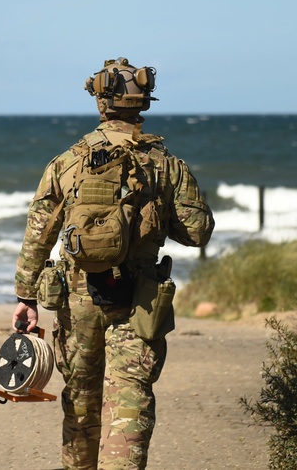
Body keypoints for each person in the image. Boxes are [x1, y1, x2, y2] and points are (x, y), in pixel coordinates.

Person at [12, 58, 215, 469]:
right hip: (139, 300)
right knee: (130, 404)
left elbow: (38, 233)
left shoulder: (66, 162)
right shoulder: (166, 165)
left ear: (101, 102)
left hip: (78, 299)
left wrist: (25, 296)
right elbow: (198, 231)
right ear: (143, 104)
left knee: (81, 405)